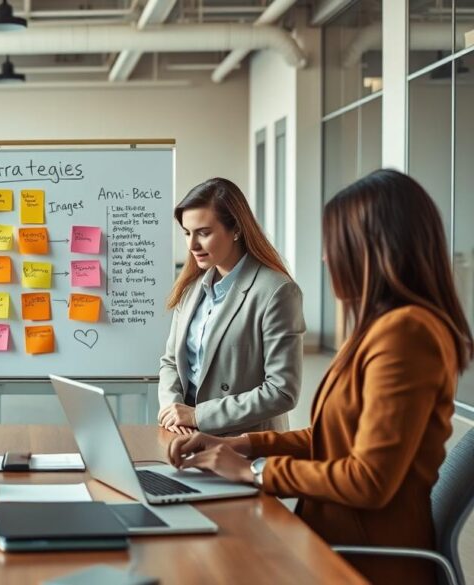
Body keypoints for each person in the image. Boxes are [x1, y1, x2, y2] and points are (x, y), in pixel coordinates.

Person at [167, 170, 472, 584]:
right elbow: (329, 439)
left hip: (362, 560)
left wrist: (255, 472)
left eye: (335, 244)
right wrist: (242, 445)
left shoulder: (407, 334)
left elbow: (369, 480)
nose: (327, 257)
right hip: (330, 539)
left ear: (375, 248)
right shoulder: (380, 328)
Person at [157, 178, 305, 436]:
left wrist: (197, 415)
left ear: (235, 229)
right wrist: (173, 409)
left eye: (203, 233)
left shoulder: (277, 292)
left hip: (245, 445)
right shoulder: (191, 289)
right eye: (187, 233)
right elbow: (170, 362)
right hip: (185, 437)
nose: (192, 245)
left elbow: (282, 391)